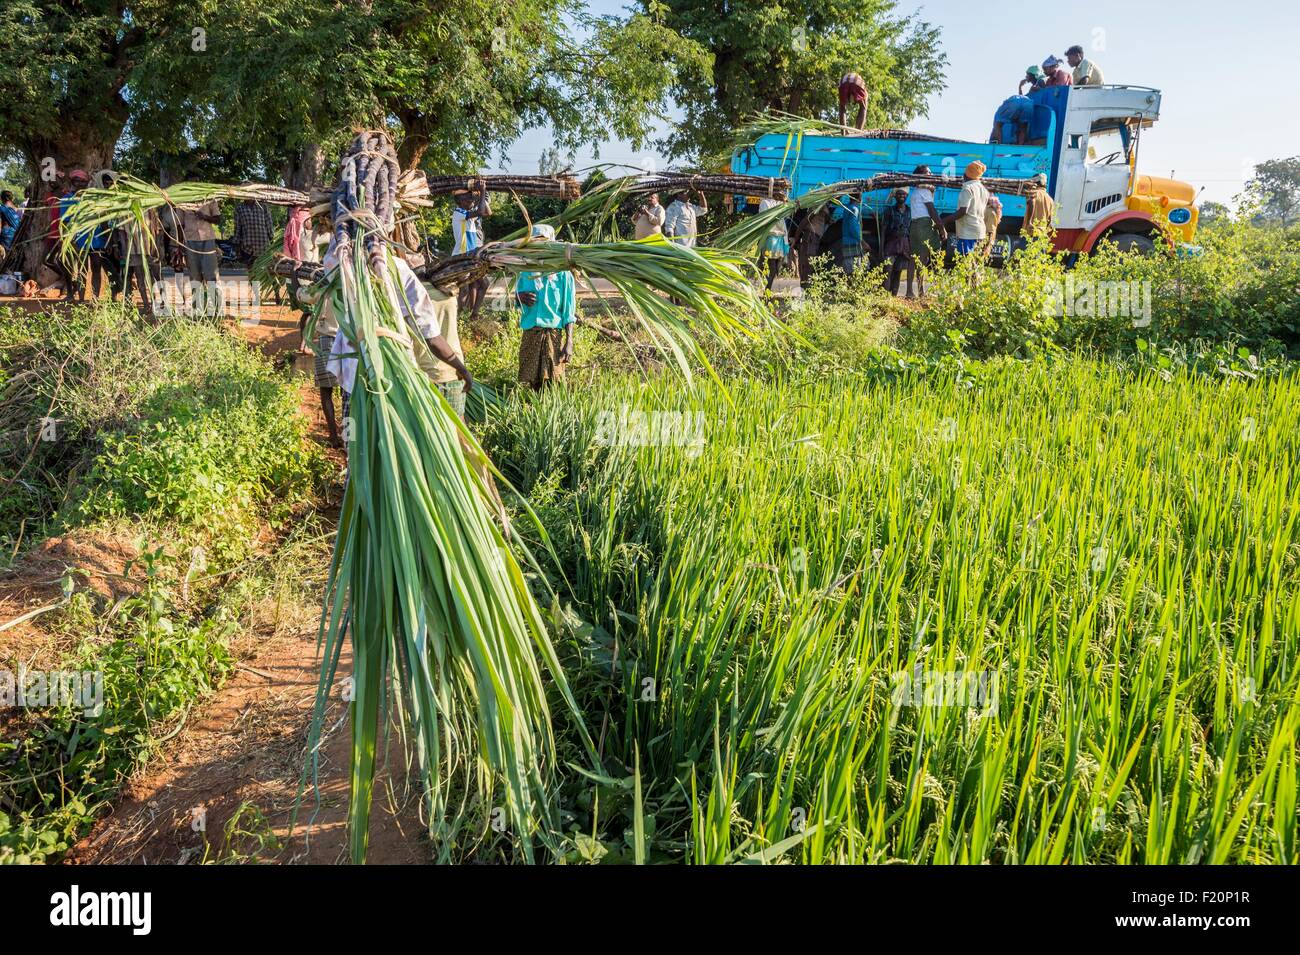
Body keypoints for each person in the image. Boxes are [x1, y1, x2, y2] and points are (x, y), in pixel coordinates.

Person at [515, 223, 575, 390]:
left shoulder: (563, 273)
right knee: (532, 381)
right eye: (536, 242)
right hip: (531, 332)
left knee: (553, 380)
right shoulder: (526, 270)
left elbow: (569, 312)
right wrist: (518, 297)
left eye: (544, 242)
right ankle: (536, 412)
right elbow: (516, 301)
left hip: (553, 333)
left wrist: (569, 341)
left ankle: (552, 412)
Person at [451, 182, 491, 322]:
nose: (471, 200)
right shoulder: (459, 213)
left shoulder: (468, 214)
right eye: (468, 198)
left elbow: (487, 212)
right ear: (459, 201)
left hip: (472, 256)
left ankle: (473, 315)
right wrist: (483, 189)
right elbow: (480, 211)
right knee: (464, 289)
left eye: (471, 198)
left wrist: (481, 196)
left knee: (483, 284)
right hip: (462, 256)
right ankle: (460, 317)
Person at [115, 209, 162, 319]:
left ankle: (159, 301)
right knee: (140, 277)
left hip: (150, 248)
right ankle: (146, 304)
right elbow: (122, 234)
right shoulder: (124, 212)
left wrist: (158, 247)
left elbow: (158, 230)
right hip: (133, 250)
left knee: (155, 276)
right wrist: (125, 251)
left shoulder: (151, 210)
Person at [178, 197, 223, 315]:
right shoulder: (182, 202)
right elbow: (180, 224)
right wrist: (179, 244)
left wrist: (205, 217)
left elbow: (218, 219)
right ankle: (197, 309)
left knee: (212, 275)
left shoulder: (210, 199)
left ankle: (217, 308)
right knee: (194, 276)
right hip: (190, 240)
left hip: (207, 240)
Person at [908, 166, 948, 293]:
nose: (931, 174)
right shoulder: (924, 191)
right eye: (927, 172)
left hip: (914, 225)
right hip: (924, 224)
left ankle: (911, 291)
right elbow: (932, 211)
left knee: (915, 258)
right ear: (920, 175)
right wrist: (942, 228)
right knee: (928, 256)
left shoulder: (915, 191)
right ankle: (928, 290)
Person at [945, 161, 989, 257]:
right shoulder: (984, 189)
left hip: (968, 232)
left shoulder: (968, 188)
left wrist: (944, 221)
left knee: (966, 264)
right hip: (980, 232)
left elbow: (962, 211)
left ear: (966, 175)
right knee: (975, 264)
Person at [882, 188, 913, 297]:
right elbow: (883, 230)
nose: (901, 196)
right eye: (899, 194)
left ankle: (893, 297)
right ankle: (885, 298)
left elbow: (911, 230)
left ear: (907, 196)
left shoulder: (910, 210)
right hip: (891, 243)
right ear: (895, 196)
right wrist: (881, 249)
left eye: (904, 194)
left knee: (898, 272)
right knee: (888, 271)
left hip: (904, 244)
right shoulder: (889, 211)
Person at [757, 196, 789, 290]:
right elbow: (781, 224)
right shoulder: (775, 204)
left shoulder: (765, 203)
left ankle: (767, 286)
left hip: (769, 239)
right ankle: (767, 288)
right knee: (772, 266)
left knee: (767, 263)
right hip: (773, 240)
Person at [829, 192, 863, 275]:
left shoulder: (847, 207)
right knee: (855, 270)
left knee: (848, 269)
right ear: (859, 198)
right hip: (853, 242)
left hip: (847, 241)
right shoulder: (854, 209)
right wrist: (862, 241)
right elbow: (853, 228)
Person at [1023, 172, 1056, 238]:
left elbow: (1031, 202)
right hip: (1042, 234)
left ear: (1035, 183)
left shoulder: (1032, 193)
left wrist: (1029, 222)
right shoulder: (1050, 199)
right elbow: (1050, 219)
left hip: (1030, 231)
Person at [981, 194, 1003, 261]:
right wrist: (986, 249)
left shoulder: (987, 210)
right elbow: (990, 232)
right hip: (983, 243)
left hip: (981, 242)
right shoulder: (992, 213)